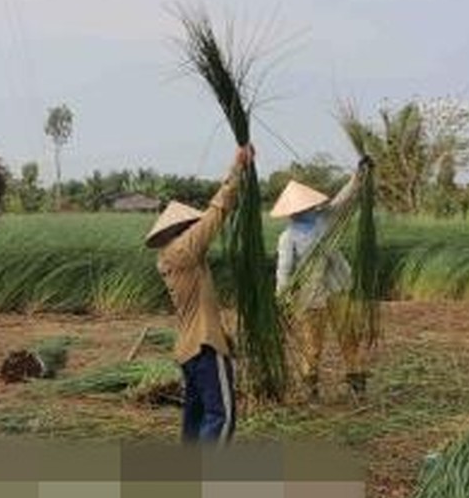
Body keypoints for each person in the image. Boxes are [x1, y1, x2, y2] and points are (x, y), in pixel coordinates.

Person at [145, 144, 254, 444]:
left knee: (195, 417)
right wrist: (237, 169)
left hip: (189, 348)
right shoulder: (182, 250)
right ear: (180, 229)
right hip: (204, 346)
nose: (194, 229)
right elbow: (216, 214)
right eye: (189, 226)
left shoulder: (173, 258)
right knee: (222, 416)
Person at [271, 156, 373, 402]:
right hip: (308, 294)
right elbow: (283, 271)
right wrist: (281, 297)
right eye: (300, 208)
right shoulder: (288, 237)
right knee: (312, 345)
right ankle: (311, 390)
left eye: (307, 206)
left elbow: (344, 199)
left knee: (349, 335)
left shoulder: (324, 217)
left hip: (336, 285)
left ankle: (357, 384)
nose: (305, 209)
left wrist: (359, 174)